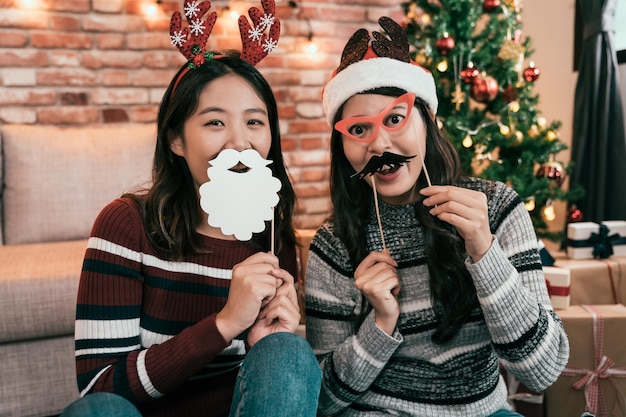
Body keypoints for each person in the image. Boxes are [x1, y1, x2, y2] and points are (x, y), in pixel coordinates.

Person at [60, 1, 320, 416]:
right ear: (176, 141)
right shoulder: (126, 225)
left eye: (255, 122)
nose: (239, 141)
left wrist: (266, 343)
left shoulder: (270, 237)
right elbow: (98, 390)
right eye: (215, 122)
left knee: (288, 352)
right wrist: (224, 324)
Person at [304, 16, 569, 417]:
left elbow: (543, 370)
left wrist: (484, 251)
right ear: (341, 146)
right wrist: (381, 323)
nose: (380, 144)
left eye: (395, 118)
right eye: (359, 130)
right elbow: (322, 400)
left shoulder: (496, 209)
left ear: (427, 121)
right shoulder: (334, 244)